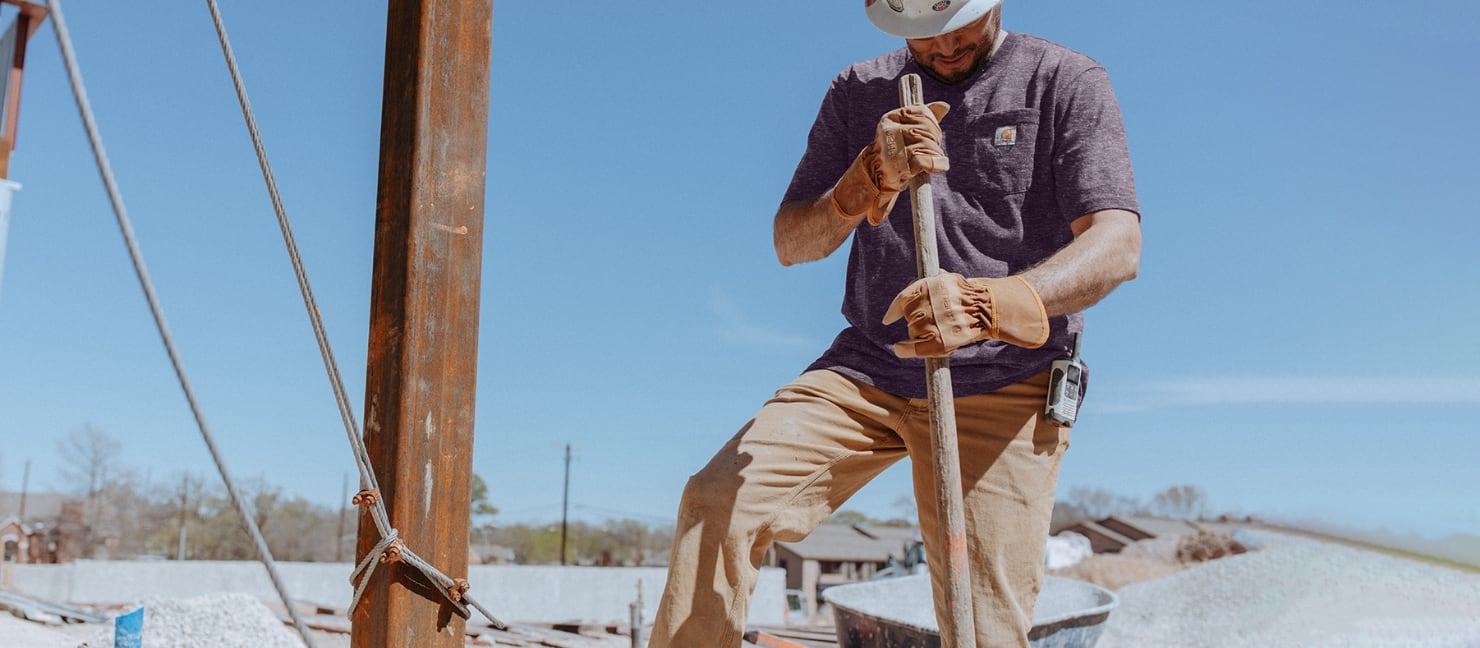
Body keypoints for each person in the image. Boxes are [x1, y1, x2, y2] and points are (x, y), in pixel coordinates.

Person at [650, 1, 1141, 645]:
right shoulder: (861, 89)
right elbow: (792, 241)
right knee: (718, 501)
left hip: (1007, 379)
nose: (939, 45)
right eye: (919, 30)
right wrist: (867, 178)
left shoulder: (1062, 79)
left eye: (956, 22)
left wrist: (990, 303)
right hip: (868, 368)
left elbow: (1117, 245)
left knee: (983, 621)